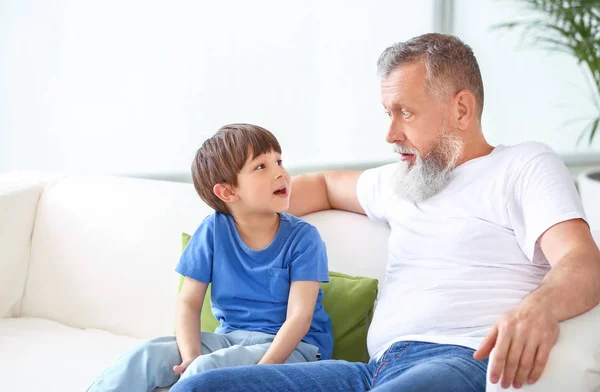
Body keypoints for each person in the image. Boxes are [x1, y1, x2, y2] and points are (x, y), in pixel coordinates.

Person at [170, 33, 600, 392]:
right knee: (197, 386)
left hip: (460, 360)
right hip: (370, 371)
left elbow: (582, 262)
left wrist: (538, 308)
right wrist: (236, 206)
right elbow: (321, 186)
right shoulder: (403, 179)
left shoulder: (523, 166)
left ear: (462, 109)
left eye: (405, 113)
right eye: (387, 113)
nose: (390, 133)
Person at [86, 124, 333, 392]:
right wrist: (190, 356)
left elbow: (299, 318)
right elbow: (189, 302)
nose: (280, 173)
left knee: (207, 370)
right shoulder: (212, 231)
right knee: (148, 354)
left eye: (278, 160)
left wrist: (260, 373)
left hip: (295, 350)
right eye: (261, 166)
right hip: (230, 340)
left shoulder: (304, 238)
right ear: (228, 192)